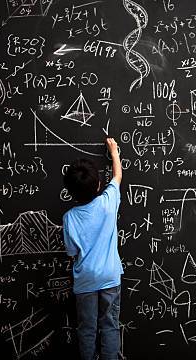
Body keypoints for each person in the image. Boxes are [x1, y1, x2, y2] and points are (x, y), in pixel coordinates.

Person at [62, 137, 123, 360]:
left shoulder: (69, 218)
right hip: (109, 276)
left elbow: (72, 253)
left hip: (85, 280)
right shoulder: (108, 202)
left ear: (70, 191)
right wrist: (114, 153)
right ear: (98, 185)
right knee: (109, 325)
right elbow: (117, 176)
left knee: (87, 329)